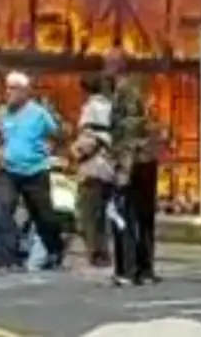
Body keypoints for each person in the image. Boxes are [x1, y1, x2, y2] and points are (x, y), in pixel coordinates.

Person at [0, 71, 65, 270]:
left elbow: (58, 133)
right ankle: (7, 260)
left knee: (44, 215)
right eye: (7, 88)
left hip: (35, 170)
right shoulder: (3, 112)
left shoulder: (39, 113)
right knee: (3, 210)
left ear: (24, 91)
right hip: (9, 170)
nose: (8, 92)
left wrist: (51, 148)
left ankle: (54, 251)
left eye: (13, 88)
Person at [106, 49, 159, 286]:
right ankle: (145, 269)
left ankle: (127, 270)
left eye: (108, 64)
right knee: (145, 217)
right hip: (148, 159)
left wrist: (122, 169)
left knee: (123, 216)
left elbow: (126, 132)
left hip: (132, 161)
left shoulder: (122, 92)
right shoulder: (142, 88)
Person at [72, 73, 114, 267]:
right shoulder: (111, 107)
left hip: (93, 169)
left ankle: (97, 253)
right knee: (102, 215)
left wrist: (75, 152)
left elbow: (89, 139)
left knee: (88, 214)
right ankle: (104, 251)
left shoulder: (91, 109)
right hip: (109, 169)